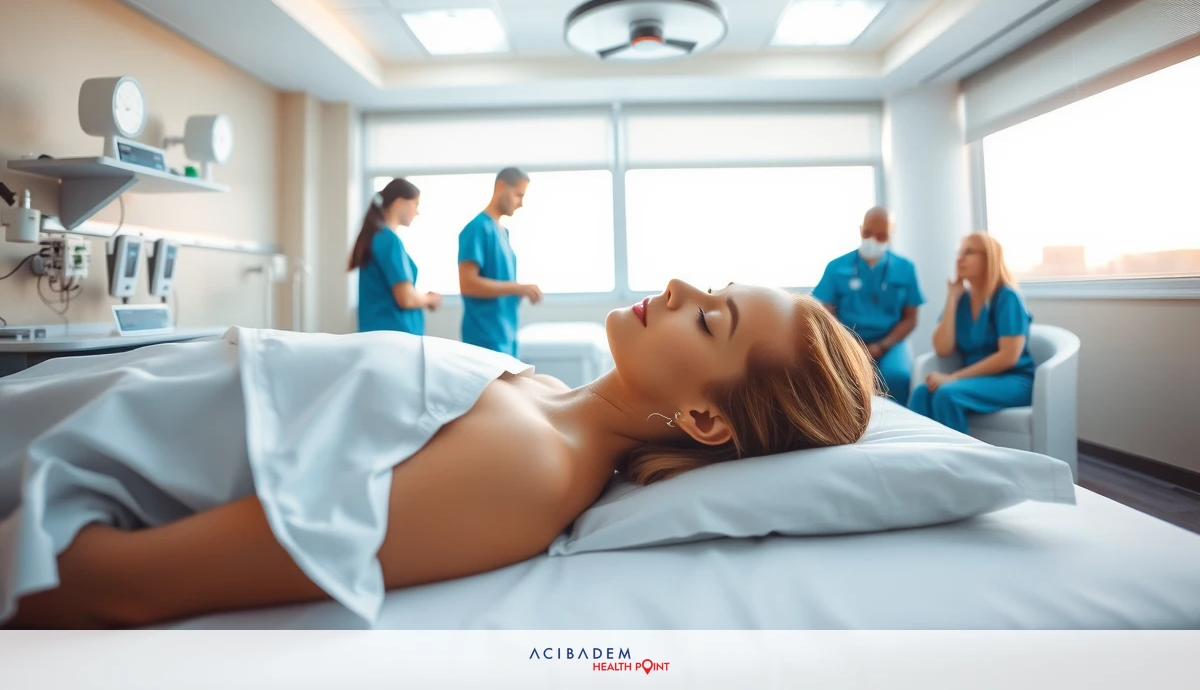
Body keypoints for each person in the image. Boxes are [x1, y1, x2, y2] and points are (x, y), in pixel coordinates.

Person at [1, 280, 876, 628]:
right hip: (79, 399)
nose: (683, 287)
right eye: (713, 287)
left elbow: (131, 583)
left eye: (710, 318)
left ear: (704, 420)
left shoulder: (530, 473)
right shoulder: (536, 393)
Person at [908, 232, 1036, 433]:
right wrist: (952, 298)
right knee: (922, 392)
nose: (960, 258)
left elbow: (1009, 357)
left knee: (946, 394)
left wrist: (954, 378)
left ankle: (957, 462)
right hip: (974, 380)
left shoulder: (1007, 297)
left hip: (1014, 380)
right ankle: (917, 458)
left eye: (969, 252)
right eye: (959, 252)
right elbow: (942, 348)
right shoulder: (962, 300)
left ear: (989, 259)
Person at [812, 206, 924, 406]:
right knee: (839, 380)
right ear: (860, 230)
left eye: (881, 236)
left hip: (890, 342)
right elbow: (825, 314)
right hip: (847, 340)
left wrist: (882, 346)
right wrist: (848, 344)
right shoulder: (836, 267)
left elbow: (910, 318)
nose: (872, 240)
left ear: (890, 236)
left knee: (897, 378)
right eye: (868, 233)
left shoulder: (905, 268)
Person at [458, 167, 542, 355]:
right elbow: (468, 284)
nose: (521, 203)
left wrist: (519, 291)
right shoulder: (476, 229)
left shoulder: (503, 232)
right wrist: (516, 287)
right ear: (501, 186)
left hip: (506, 334)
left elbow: (499, 280)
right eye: (518, 195)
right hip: (485, 337)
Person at [349, 178, 441, 335]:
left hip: (382, 335)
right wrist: (429, 299)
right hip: (393, 336)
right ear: (399, 202)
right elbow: (406, 298)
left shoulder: (378, 236)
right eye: (415, 204)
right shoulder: (388, 239)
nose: (417, 212)